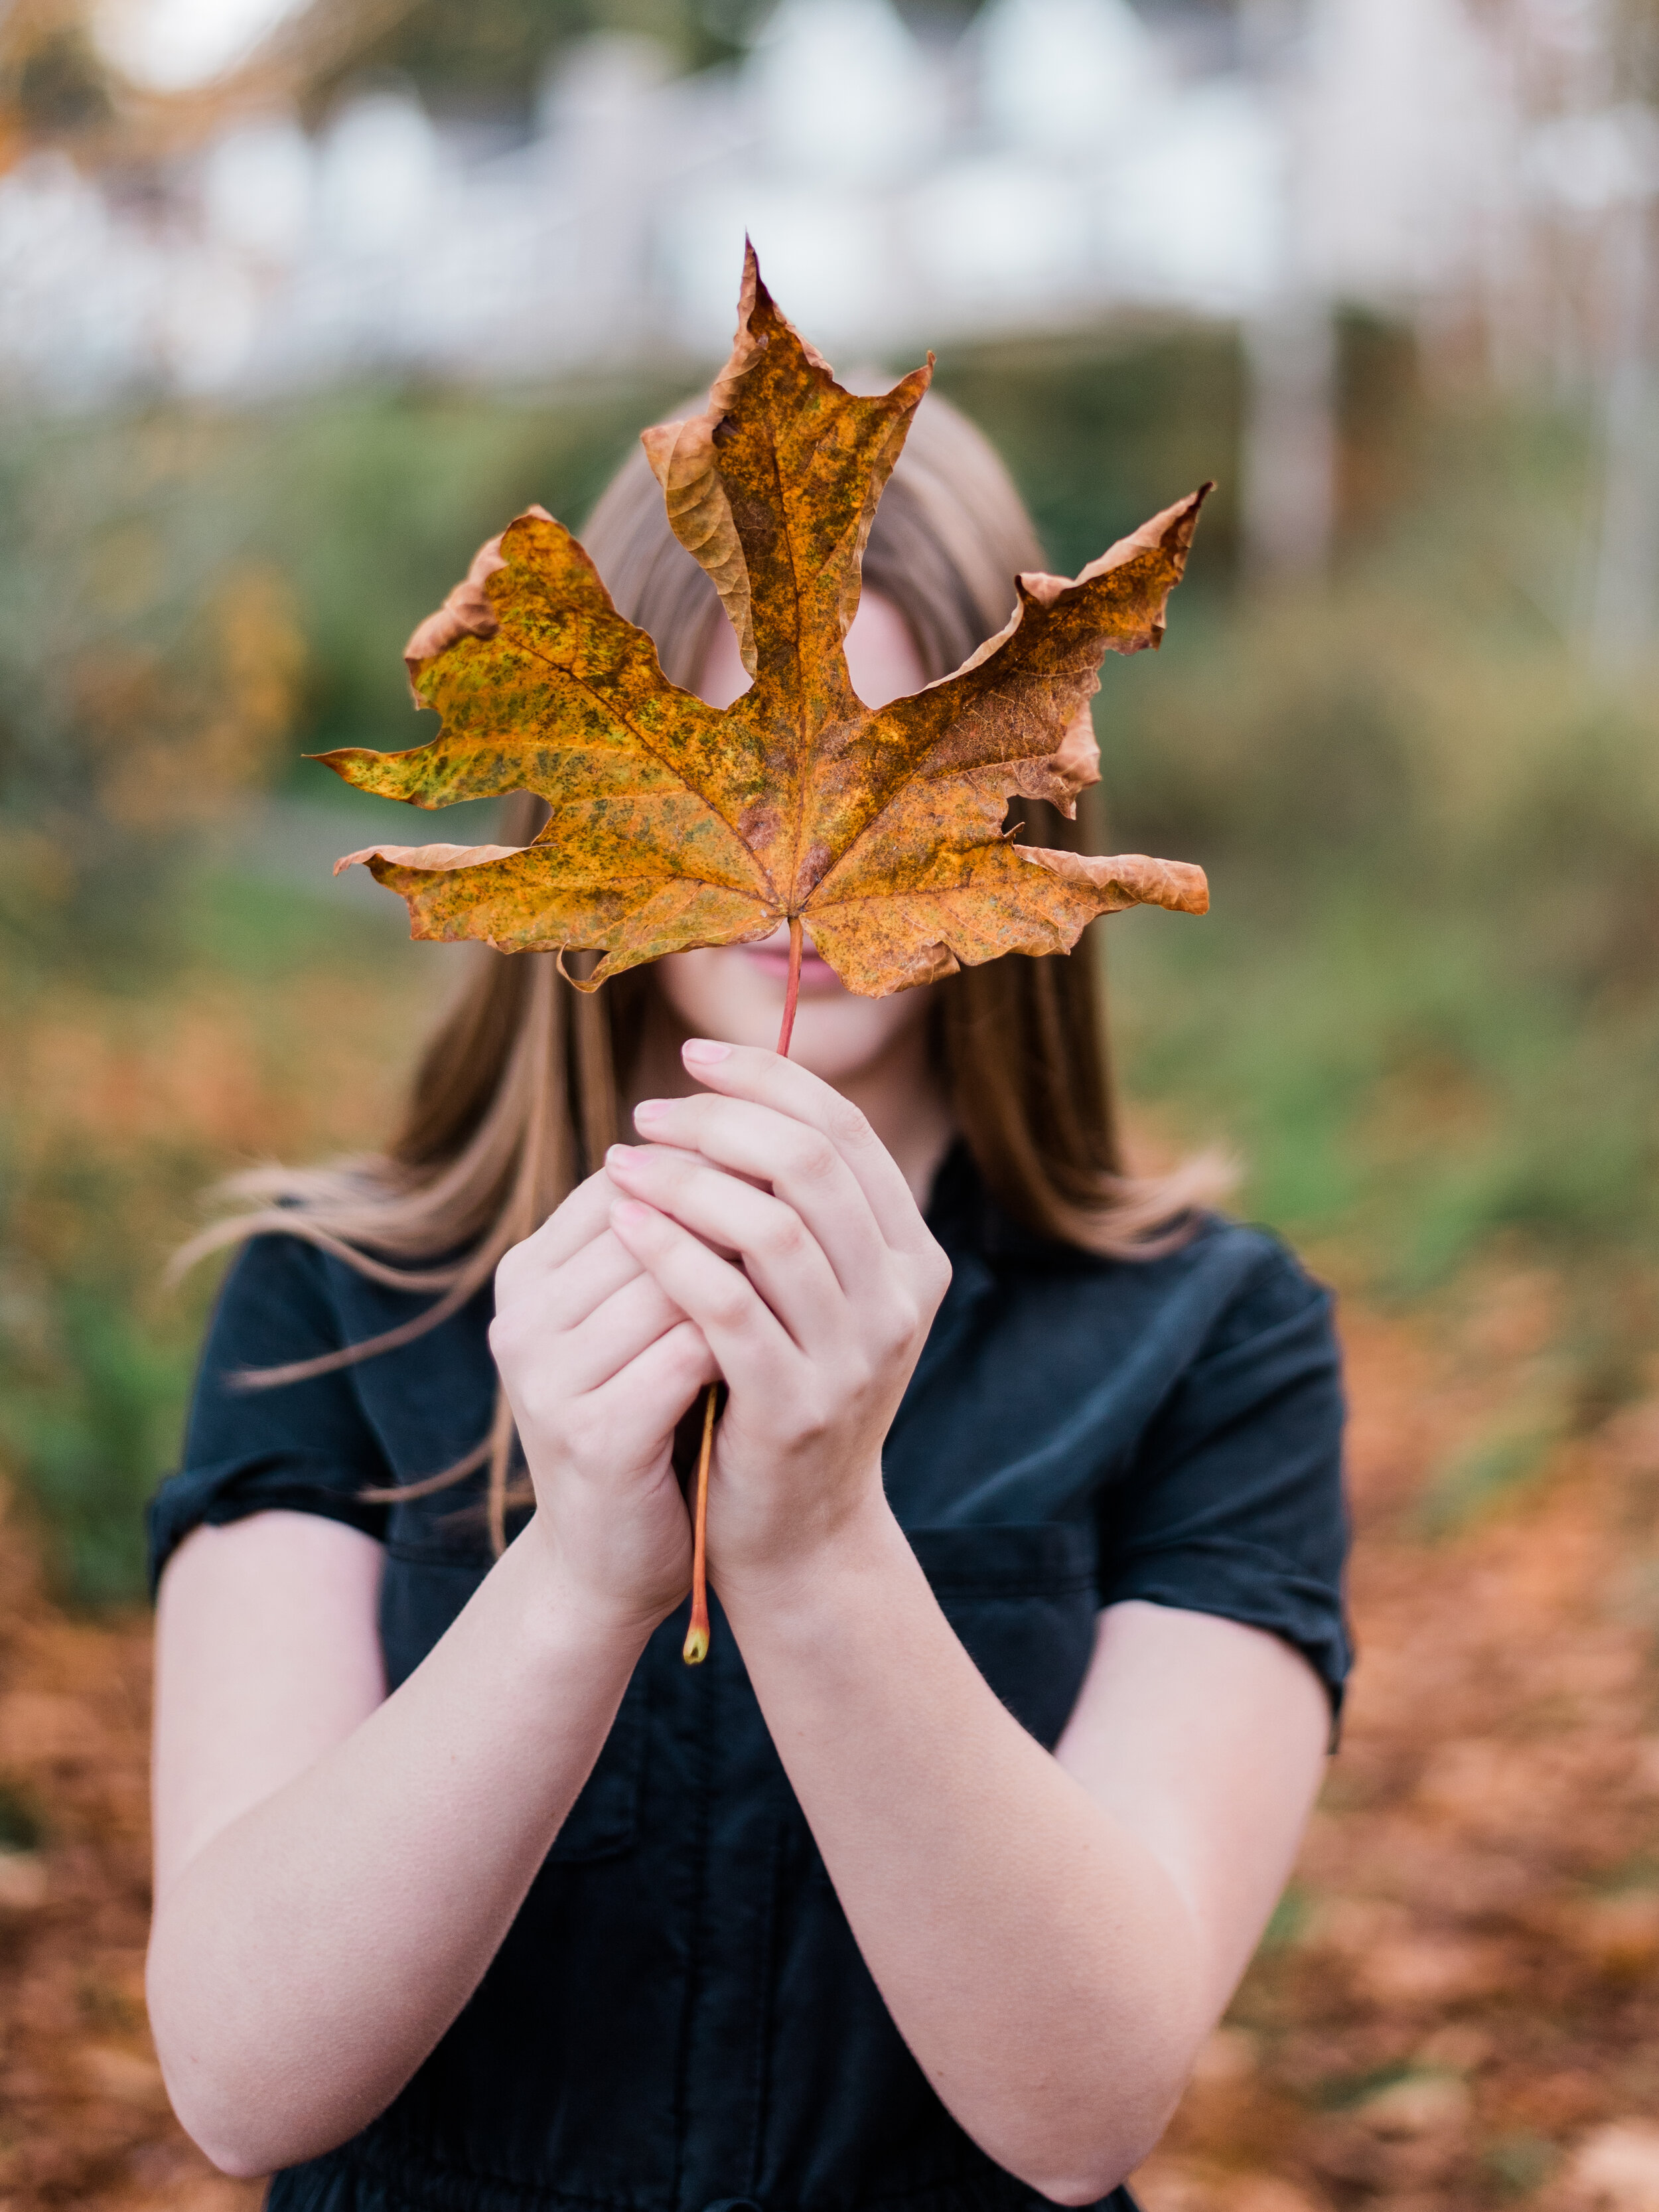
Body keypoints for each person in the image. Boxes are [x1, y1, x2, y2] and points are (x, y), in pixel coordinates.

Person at [144, 390, 1349, 2212]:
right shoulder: (331, 1297)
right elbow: (240, 2081)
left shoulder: (1209, 1337)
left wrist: (812, 1546)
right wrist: (576, 1573)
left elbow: (1088, 2104)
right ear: (590, 780)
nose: (799, 839)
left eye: (887, 763)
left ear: (1018, 793)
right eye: (737, 760)